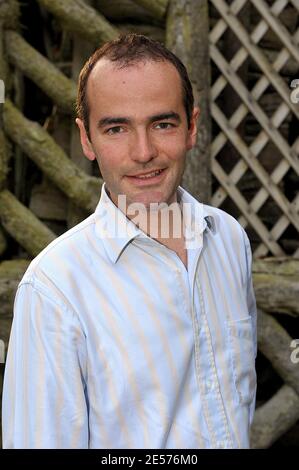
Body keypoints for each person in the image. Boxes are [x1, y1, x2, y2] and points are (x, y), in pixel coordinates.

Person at [2, 33, 257, 449]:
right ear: (86, 139)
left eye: (162, 123)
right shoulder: (53, 289)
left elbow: (237, 401)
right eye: (117, 128)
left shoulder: (228, 240)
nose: (143, 152)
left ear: (192, 126)